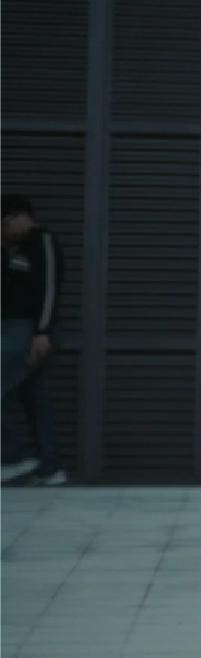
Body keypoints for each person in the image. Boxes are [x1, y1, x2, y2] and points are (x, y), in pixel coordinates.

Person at [3, 193, 67, 486]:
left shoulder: (43, 242)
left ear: (21, 217)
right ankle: (50, 467)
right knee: (33, 397)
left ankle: (11, 457)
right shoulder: (10, 248)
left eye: (5, 224)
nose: (3, 230)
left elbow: (49, 289)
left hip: (27, 329)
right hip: (9, 327)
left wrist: (43, 331)